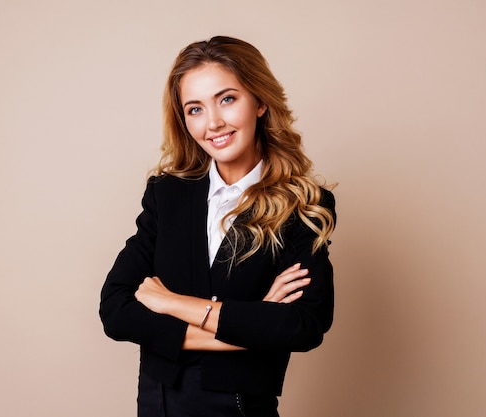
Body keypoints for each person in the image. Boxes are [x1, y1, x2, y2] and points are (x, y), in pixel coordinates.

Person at [99, 35, 336, 417]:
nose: (213, 123)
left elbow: (304, 324)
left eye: (227, 99)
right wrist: (249, 326)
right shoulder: (167, 195)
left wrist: (173, 303)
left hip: (240, 409)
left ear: (259, 101)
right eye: (194, 109)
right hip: (158, 406)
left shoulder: (302, 205)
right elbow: (115, 310)